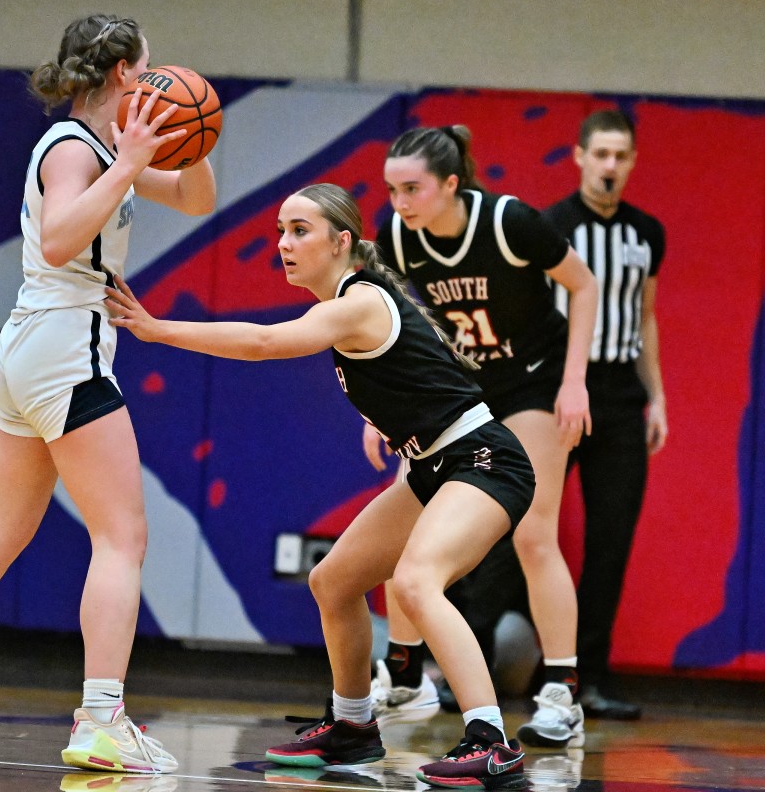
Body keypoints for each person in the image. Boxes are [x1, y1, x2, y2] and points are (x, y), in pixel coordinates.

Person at [0, 14, 216, 772]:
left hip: (33, 348)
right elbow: (61, 238)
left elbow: (196, 201)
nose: (158, 81)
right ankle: (101, 719)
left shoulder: (104, 147)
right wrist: (128, 166)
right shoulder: (72, 147)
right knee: (122, 538)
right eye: (151, 71)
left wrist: (194, 132)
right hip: (65, 340)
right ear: (125, 72)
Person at [105, 182, 533, 789]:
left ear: (343, 242)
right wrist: (382, 418)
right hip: (434, 464)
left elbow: (262, 342)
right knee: (333, 581)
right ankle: (354, 726)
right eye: (280, 230)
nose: (283, 243)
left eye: (299, 231)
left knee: (416, 580)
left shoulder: (355, 302)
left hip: (483, 459)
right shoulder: (359, 305)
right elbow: (415, 370)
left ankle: (492, 742)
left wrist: (157, 329)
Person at [366, 125, 597, 749]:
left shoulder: (510, 223)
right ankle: (406, 673)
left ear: (450, 184)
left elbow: (583, 286)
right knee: (403, 520)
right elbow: (384, 330)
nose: (400, 202)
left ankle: (561, 692)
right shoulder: (398, 238)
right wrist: (378, 411)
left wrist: (575, 381)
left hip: (531, 384)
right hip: (459, 390)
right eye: (391, 190)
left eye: (412, 188)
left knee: (533, 532)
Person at [544, 108, 668, 720]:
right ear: (579, 156)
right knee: (516, 530)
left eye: (622, 155)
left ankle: (585, 680)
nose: (611, 165)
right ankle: (477, 669)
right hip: (557, 389)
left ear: (633, 162)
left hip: (620, 396)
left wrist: (659, 397)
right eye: (601, 154)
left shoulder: (647, 233)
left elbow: (646, 318)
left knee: (610, 542)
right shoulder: (550, 226)